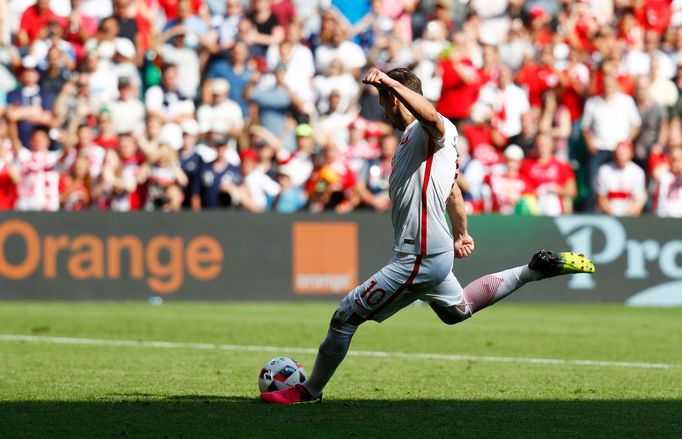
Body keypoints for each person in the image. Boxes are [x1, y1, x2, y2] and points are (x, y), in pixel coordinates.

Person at [260, 67, 595, 405]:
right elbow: (452, 192)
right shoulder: (418, 142)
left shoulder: (432, 129)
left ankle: (309, 391)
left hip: (418, 255)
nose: (383, 109)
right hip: (433, 251)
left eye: (383, 101)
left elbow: (432, 115)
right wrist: (462, 231)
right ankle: (533, 269)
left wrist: (389, 82)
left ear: (394, 98)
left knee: (345, 317)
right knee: (457, 310)